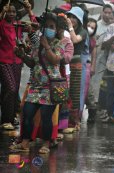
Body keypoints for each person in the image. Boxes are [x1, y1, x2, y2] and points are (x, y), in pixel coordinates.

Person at [10, 12, 68, 154]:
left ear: (56, 29)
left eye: (52, 26)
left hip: (50, 87)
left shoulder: (59, 44)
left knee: (46, 118)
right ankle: (25, 141)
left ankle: (46, 143)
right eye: (46, 26)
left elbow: (55, 60)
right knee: (27, 113)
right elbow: (33, 63)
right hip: (35, 87)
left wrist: (46, 46)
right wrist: (22, 56)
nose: (49, 28)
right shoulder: (37, 44)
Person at [0, 1, 32, 130]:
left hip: (18, 61)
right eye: (9, 11)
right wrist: (2, 11)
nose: (12, 14)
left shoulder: (18, 24)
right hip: (4, 61)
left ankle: (11, 118)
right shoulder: (2, 24)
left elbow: (34, 25)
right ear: (5, 12)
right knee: (11, 88)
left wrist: (29, 10)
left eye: (14, 12)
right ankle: (6, 120)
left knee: (13, 91)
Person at [64, 6, 87, 131]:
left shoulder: (83, 31)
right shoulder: (63, 29)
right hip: (64, 62)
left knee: (74, 92)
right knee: (64, 91)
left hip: (75, 63)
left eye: (74, 17)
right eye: (70, 17)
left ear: (79, 19)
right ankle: (64, 121)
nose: (71, 19)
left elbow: (74, 39)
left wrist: (70, 26)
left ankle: (74, 122)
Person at [88, 4, 113, 118]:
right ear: (102, 13)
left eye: (109, 13)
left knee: (104, 84)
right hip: (95, 58)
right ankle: (93, 106)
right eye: (106, 12)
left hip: (107, 60)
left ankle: (101, 107)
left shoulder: (113, 27)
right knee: (93, 83)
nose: (107, 15)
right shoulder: (96, 26)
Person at [85, 18, 97, 123]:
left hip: (87, 66)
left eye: (93, 28)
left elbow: (93, 53)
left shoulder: (92, 40)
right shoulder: (79, 36)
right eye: (89, 26)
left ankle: (92, 114)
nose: (90, 29)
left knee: (89, 91)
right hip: (77, 65)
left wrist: (93, 66)